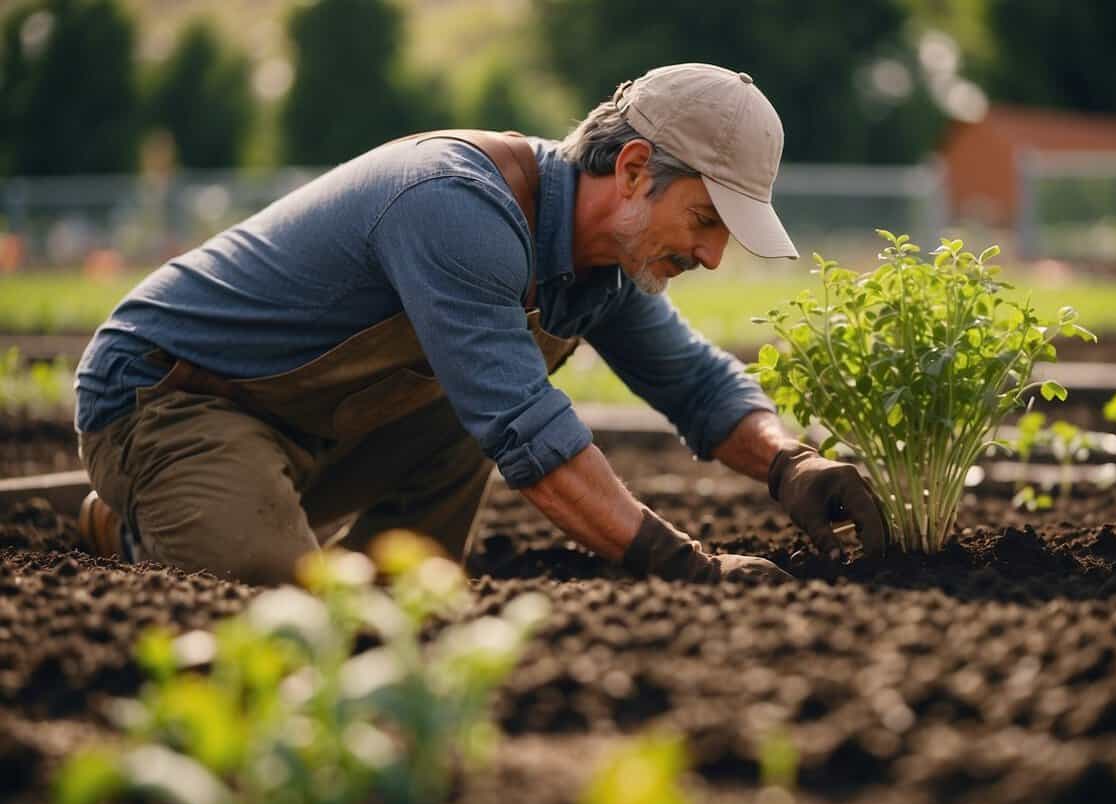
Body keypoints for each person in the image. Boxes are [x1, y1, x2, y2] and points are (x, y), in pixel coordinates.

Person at [74, 63, 887, 585]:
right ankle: (162, 517)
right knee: (271, 602)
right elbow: (529, 432)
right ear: (635, 170)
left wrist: (792, 464)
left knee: (399, 601)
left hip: (312, 425)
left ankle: (306, 563)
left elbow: (697, 383)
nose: (712, 256)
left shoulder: (607, 257)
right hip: (172, 396)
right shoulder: (456, 204)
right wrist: (688, 565)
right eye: (706, 221)